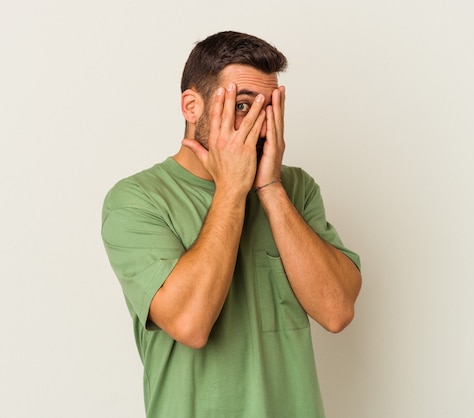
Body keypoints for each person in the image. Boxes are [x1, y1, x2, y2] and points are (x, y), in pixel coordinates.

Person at [101, 31, 362, 418]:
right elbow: (190, 324)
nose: (258, 126)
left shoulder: (296, 188)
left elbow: (337, 311)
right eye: (242, 105)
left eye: (268, 108)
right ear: (192, 106)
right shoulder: (136, 200)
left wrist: (270, 188)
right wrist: (232, 189)